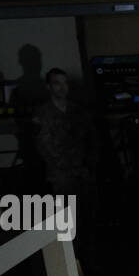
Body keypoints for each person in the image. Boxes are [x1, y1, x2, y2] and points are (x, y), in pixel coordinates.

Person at [32, 68, 98, 259]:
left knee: (89, 217)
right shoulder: (43, 113)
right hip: (62, 175)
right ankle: (71, 263)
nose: (62, 88)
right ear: (49, 86)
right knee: (69, 220)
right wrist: (65, 166)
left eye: (64, 83)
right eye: (56, 83)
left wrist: (89, 165)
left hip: (83, 172)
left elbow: (91, 139)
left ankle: (88, 259)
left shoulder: (78, 111)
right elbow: (43, 147)